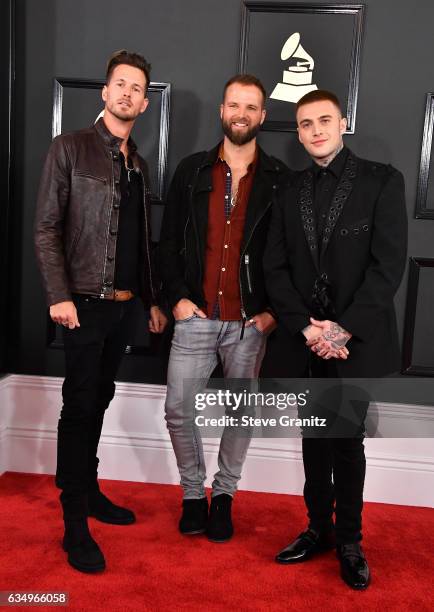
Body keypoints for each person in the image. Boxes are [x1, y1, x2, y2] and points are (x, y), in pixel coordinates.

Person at [264, 89, 407, 589]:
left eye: (324, 120)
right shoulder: (287, 189)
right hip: (305, 340)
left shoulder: (382, 181)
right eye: (305, 124)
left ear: (343, 123)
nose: (316, 130)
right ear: (298, 132)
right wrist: (307, 327)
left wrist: (340, 332)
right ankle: (317, 530)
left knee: (346, 444)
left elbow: (387, 269)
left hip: (354, 343)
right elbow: (273, 267)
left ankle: (349, 540)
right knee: (312, 442)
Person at [34, 49, 167, 573]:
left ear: (144, 102)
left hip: (124, 307)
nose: (129, 94)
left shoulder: (137, 163)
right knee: (80, 405)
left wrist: (153, 301)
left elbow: (141, 243)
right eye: (121, 84)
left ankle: (88, 492)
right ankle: (73, 525)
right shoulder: (69, 148)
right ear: (105, 93)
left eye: (138, 88)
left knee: (102, 397)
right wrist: (58, 294)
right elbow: (47, 227)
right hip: (81, 303)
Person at [159, 74, 286, 542]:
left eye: (251, 108)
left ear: (262, 116)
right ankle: (194, 494)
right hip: (196, 315)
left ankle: (225, 495)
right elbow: (168, 241)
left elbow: (287, 253)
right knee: (178, 409)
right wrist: (175, 298)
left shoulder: (279, 179)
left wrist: (272, 310)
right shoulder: (191, 170)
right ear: (222, 110)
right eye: (235, 105)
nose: (241, 114)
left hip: (250, 322)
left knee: (241, 414)